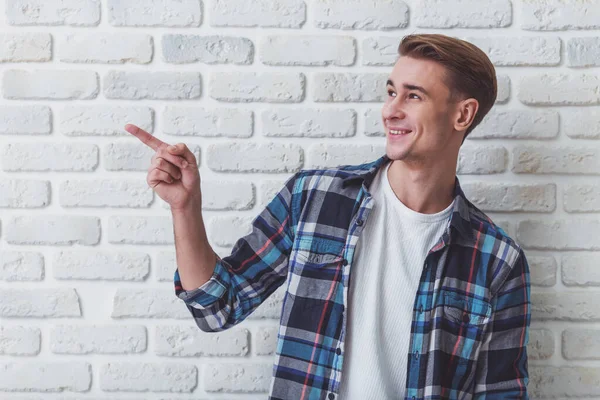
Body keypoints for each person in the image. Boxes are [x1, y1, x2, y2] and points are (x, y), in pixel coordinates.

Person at [125, 33, 530, 400]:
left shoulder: (497, 259)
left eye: (413, 96)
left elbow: (501, 393)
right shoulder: (314, 199)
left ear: (463, 115)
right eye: (391, 92)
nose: (390, 110)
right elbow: (218, 308)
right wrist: (185, 208)